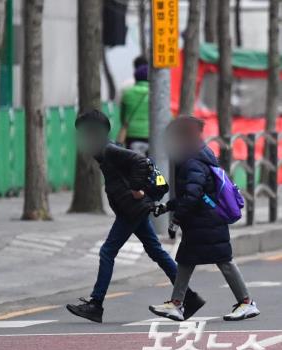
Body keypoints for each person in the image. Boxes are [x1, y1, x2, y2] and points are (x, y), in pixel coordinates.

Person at [65, 110, 205, 323]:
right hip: (131, 209)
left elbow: (141, 161)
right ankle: (190, 297)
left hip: (132, 209)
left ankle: (96, 303)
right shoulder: (104, 149)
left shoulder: (109, 149)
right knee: (155, 251)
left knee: (107, 252)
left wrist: (136, 188)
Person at [149, 116, 260, 321]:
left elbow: (192, 195)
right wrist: (168, 207)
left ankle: (246, 303)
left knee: (223, 261)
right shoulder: (198, 156)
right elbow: (190, 194)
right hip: (202, 221)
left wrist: (176, 220)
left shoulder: (193, 161)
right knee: (186, 260)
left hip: (206, 221)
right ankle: (176, 304)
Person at [117, 56, 150, 155]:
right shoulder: (155, 95)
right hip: (150, 134)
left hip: (131, 134)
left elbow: (123, 117)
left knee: (133, 161)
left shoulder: (127, 93)